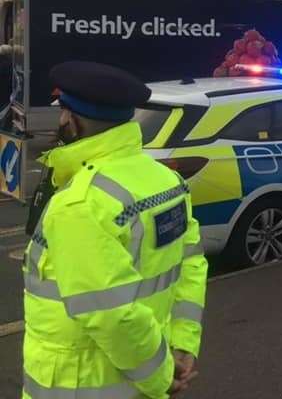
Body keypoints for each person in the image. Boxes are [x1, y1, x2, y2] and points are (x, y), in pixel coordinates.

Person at [22, 62, 207, 399]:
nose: (60, 120)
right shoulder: (167, 181)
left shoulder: (81, 204)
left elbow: (113, 316)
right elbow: (190, 267)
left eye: (63, 110)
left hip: (80, 385)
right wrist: (182, 345)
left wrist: (162, 378)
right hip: (146, 370)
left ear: (72, 120)